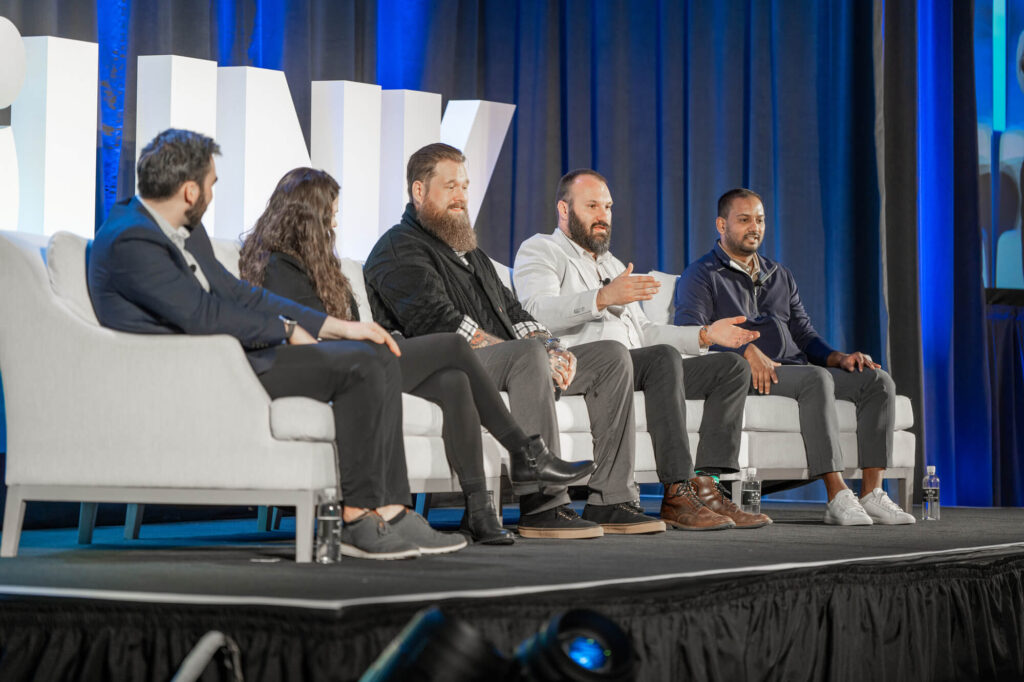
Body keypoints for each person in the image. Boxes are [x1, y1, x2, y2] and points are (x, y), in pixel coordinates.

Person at [87, 128, 467, 561]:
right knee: (361, 366)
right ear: (190, 191)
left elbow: (235, 293)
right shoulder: (129, 239)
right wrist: (284, 330)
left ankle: (394, 511)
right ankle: (357, 519)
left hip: (231, 359)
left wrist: (334, 327)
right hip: (199, 372)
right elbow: (200, 315)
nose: (213, 192)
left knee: (376, 351)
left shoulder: (184, 229)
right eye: (211, 184)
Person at [239, 167, 595, 545]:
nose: (334, 223)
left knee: (454, 381)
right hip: (336, 365)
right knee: (454, 345)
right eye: (330, 214)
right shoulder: (279, 265)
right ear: (305, 217)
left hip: (357, 356)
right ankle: (526, 451)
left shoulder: (322, 264)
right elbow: (311, 331)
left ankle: (480, 511)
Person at [364, 143, 666, 539]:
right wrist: (534, 351)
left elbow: (516, 312)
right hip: (448, 365)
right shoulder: (398, 247)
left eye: (465, 186)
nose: (461, 196)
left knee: (610, 355)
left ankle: (611, 497)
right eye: (450, 186)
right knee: (528, 354)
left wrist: (552, 347)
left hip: (512, 362)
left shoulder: (470, 252)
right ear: (419, 192)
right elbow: (437, 323)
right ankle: (543, 503)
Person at [514, 169, 771, 530]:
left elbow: (645, 332)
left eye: (608, 206)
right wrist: (601, 298)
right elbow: (534, 313)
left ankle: (709, 489)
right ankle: (677, 492)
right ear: (563, 208)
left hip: (634, 365)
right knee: (662, 359)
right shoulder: (541, 249)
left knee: (729, 368)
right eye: (592, 206)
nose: (603, 215)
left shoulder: (612, 264)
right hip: (586, 365)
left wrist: (704, 335)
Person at [673, 188, 916, 526]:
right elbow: (691, 335)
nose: (754, 227)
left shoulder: (779, 274)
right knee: (815, 379)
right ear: (721, 224)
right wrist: (744, 352)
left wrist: (838, 357)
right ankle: (837, 494)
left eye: (759, 220)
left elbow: (804, 335)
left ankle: (872, 493)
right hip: (746, 376)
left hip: (793, 371)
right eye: (743, 220)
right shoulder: (701, 275)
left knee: (876, 380)